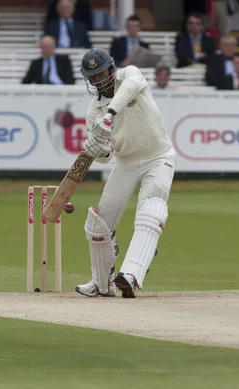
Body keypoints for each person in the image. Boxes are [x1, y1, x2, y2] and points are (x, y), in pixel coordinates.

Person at [75, 48, 176, 298]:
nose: (98, 80)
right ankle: (101, 283)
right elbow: (106, 156)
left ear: (111, 68)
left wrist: (110, 115)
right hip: (125, 162)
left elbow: (130, 87)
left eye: (100, 73)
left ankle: (131, 274)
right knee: (99, 225)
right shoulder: (93, 112)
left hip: (158, 156)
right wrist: (97, 149)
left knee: (150, 212)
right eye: (92, 77)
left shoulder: (130, 74)